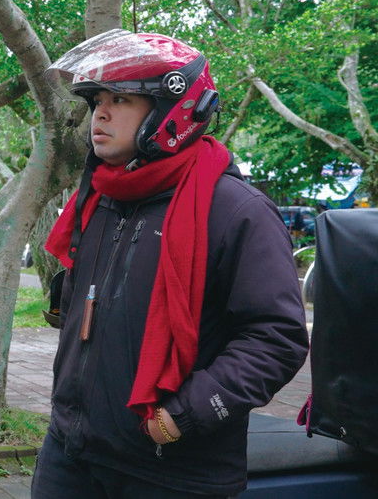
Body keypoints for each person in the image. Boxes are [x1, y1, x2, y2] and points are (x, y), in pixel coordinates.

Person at [33, 30, 309, 498]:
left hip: (172, 469)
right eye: (97, 100)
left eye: (120, 99)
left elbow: (276, 338)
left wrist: (184, 415)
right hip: (71, 451)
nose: (100, 113)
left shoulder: (235, 211)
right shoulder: (100, 198)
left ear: (174, 111)